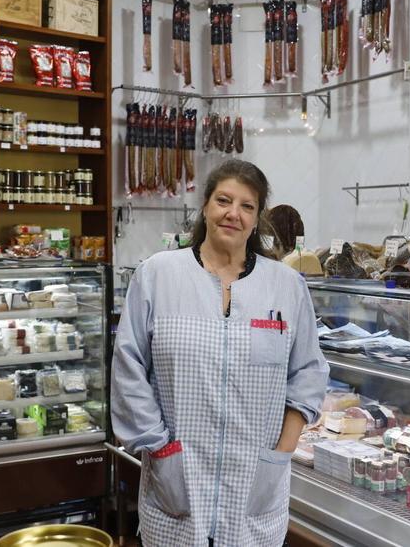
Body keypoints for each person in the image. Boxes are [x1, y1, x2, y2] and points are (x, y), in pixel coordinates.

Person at [111, 160, 329, 547]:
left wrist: (281, 452)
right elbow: (129, 370)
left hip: (255, 486)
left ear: (257, 218)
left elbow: (309, 373)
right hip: (175, 479)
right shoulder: (158, 274)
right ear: (206, 207)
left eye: (247, 206)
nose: (233, 213)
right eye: (224, 201)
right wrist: (159, 449)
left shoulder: (286, 286)